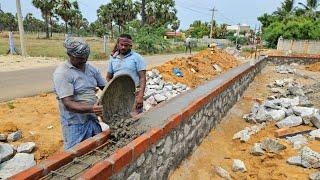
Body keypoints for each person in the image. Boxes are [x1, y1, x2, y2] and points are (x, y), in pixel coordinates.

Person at [53, 37, 105, 150]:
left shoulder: (91, 69)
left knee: (98, 150)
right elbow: (68, 103)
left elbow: (106, 88)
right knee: (75, 156)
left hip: (92, 120)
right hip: (75, 124)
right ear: (70, 54)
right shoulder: (63, 73)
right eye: (80, 58)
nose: (84, 61)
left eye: (86, 58)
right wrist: (92, 108)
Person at [106, 34, 146, 116]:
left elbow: (142, 78)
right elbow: (108, 77)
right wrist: (113, 91)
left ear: (130, 46)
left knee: (135, 119)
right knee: (119, 119)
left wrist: (140, 96)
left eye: (126, 45)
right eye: (121, 44)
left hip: (134, 95)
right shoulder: (113, 58)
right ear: (118, 44)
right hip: (119, 95)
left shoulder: (137, 58)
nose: (123, 47)